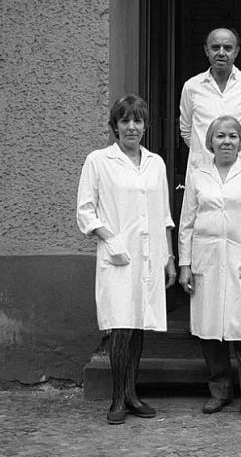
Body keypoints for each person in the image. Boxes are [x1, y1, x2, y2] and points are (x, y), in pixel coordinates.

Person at [76, 94, 177, 425]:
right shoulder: (99, 161)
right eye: (125, 121)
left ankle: (133, 395)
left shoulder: (156, 163)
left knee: (138, 324)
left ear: (145, 126)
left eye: (137, 120)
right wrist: (110, 239)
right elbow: (85, 211)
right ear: (114, 127)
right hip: (118, 254)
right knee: (120, 325)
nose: (131, 126)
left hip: (150, 255)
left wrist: (169, 257)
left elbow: (163, 214)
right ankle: (117, 398)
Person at [178, 114, 241, 422]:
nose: (226, 141)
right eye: (220, 136)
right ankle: (220, 391)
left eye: (232, 136)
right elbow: (187, 224)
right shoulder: (198, 175)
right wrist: (185, 265)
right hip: (206, 261)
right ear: (210, 142)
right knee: (210, 331)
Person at [179, 28, 241, 170]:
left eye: (227, 48)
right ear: (206, 51)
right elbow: (186, 130)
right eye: (215, 47)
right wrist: (205, 152)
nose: (221, 53)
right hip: (202, 171)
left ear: (236, 51)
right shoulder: (191, 87)